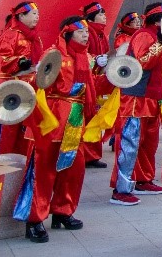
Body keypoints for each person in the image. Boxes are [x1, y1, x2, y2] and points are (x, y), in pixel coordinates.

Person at [13, 15, 103, 242]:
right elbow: (36, 83)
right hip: (53, 119)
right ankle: (34, 219)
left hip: (75, 119)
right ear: (68, 34)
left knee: (73, 168)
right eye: (81, 32)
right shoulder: (54, 55)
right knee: (43, 170)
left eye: (86, 32)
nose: (86, 35)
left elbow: (90, 89)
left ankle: (63, 210)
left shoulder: (85, 58)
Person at [110, 2, 162, 206]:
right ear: (158, 19)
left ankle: (143, 179)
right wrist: (160, 44)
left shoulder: (158, 36)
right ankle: (121, 189)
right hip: (136, 96)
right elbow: (143, 61)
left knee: (148, 143)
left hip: (152, 96)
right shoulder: (145, 35)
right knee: (131, 141)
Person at [0, 0, 44, 156]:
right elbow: (1, 59)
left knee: (23, 129)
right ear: (21, 16)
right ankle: (1, 162)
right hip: (9, 88)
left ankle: (20, 161)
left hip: (27, 88)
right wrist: (19, 62)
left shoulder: (33, 37)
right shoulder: (10, 35)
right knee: (7, 130)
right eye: (34, 14)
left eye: (38, 14)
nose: (37, 17)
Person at [82, 2, 111, 169]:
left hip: (96, 79)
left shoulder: (101, 34)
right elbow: (81, 54)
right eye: (100, 14)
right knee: (87, 117)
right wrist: (94, 59)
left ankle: (92, 154)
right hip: (86, 79)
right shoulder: (86, 32)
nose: (104, 17)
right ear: (91, 18)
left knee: (94, 116)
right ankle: (86, 154)